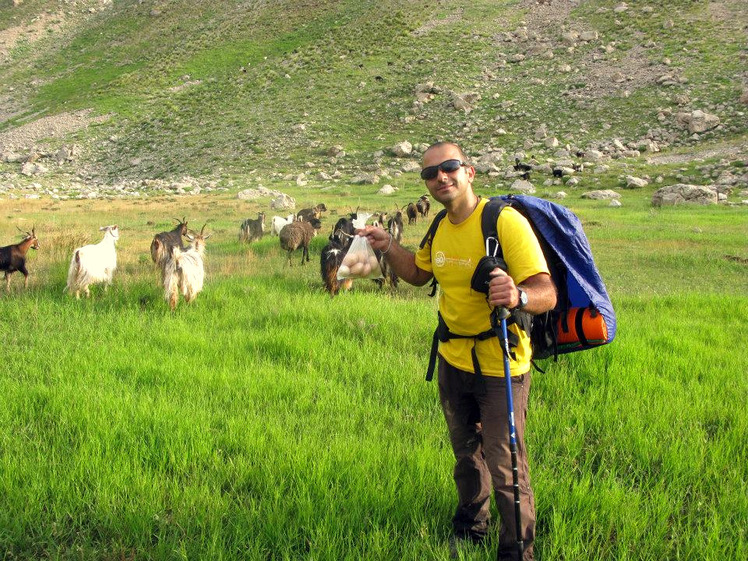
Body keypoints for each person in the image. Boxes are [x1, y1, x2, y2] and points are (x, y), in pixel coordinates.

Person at [359, 141, 557, 560]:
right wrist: (386, 246)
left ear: (470, 171)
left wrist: (519, 295)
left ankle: (517, 550)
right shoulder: (439, 228)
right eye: (430, 174)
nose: (440, 178)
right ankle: (470, 528)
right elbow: (416, 273)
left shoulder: (504, 222)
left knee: (506, 466)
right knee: (467, 455)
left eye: (448, 167)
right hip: (452, 360)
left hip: (501, 362)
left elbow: (547, 292)